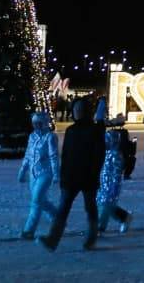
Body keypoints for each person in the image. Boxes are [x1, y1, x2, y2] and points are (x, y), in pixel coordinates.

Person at [40, 98, 106, 252]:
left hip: (86, 177)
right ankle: (53, 239)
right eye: (76, 109)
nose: (77, 112)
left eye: (80, 110)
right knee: (64, 208)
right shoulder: (71, 130)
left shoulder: (95, 130)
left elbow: (99, 155)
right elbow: (66, 155)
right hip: (71, 177)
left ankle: (90, 239)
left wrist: (94, 174)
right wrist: (63, 176)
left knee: (89, 207)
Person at [17, 111, 60, 239]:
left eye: (38, 123)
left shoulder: (50, 137)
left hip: (45, 174)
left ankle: (29, 230)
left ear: (44, 123)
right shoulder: (32, 137)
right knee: (41, 200)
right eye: (34, 123)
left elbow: (54, 156)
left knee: (36, 201)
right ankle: (58, 218)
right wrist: (23, 170)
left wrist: (56, 173)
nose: (36, 126)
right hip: (33, 174)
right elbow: (28, 155)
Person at [97, 116, 133, 235]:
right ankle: (124, 217)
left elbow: (117, 173)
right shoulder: (106, 153)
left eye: (107, 141)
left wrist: (113, 187)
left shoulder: (116, 155)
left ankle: (100, 227)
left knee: (105, 206)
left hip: (111, 185)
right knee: (104, 205)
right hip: (103, 183)